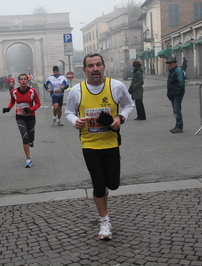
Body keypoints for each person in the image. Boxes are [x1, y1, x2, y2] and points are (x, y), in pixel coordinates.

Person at [65, 53, 134, 240]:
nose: (95, 68)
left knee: (113, 184)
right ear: (85, 69)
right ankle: (104, 221)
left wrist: (120, 118)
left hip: (111, 142)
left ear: (103, 66)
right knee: (98, 183)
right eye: (90, 66)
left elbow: (129, 105)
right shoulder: (76, 91)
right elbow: (69, 111)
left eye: (98, 65)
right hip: (89, 143)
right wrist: (75, 121)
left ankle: (104, 189)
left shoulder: (116, 86)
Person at [2, 74, 41, 168]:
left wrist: (31, 109)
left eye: (25, 79)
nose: (23, 81)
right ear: (18, 81)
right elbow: (12, 102)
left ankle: (31, 141)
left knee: (31, 137)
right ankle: (28, 159)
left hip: (30, 116)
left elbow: (38, 104)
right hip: (20, 117)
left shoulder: (32, 91)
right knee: (25, 137)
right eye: (21, 79)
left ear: (28, 81)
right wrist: (8, 108)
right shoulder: (14, 92)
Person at [166, 56, 185, 133]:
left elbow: (180, 83)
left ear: (175, 63)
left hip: (176, 94)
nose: (170, 64)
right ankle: (177, 125)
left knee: (177, 111)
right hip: (173, 94)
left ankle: (179, 126)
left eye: (171, 63)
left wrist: (175, 93)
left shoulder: (178, 71)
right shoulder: (172, 71)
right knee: (175, 111)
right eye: (169, 63)